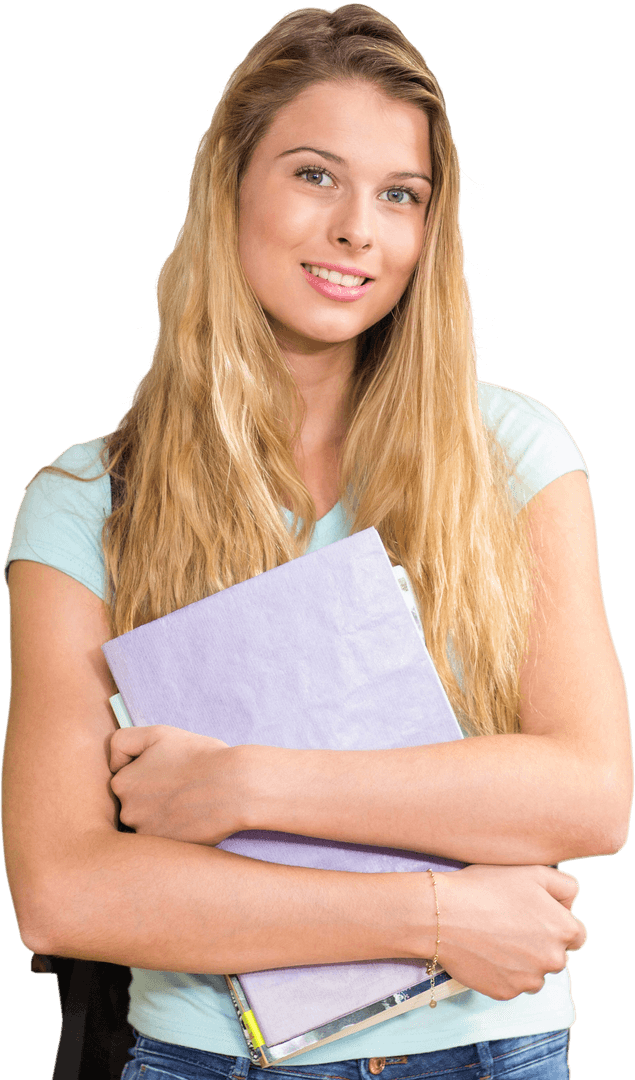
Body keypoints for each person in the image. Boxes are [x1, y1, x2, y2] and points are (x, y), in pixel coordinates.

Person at [2, 5, 631, 1079]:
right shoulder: (85, 499)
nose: (357, 230)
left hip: (481, 1053)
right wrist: (435, 913)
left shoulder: (512, 449)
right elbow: (63, 894)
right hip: (203, 1056)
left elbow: (586, 795)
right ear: (227, 186)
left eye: (400, 195)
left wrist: (248, 786)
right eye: (312, 175)